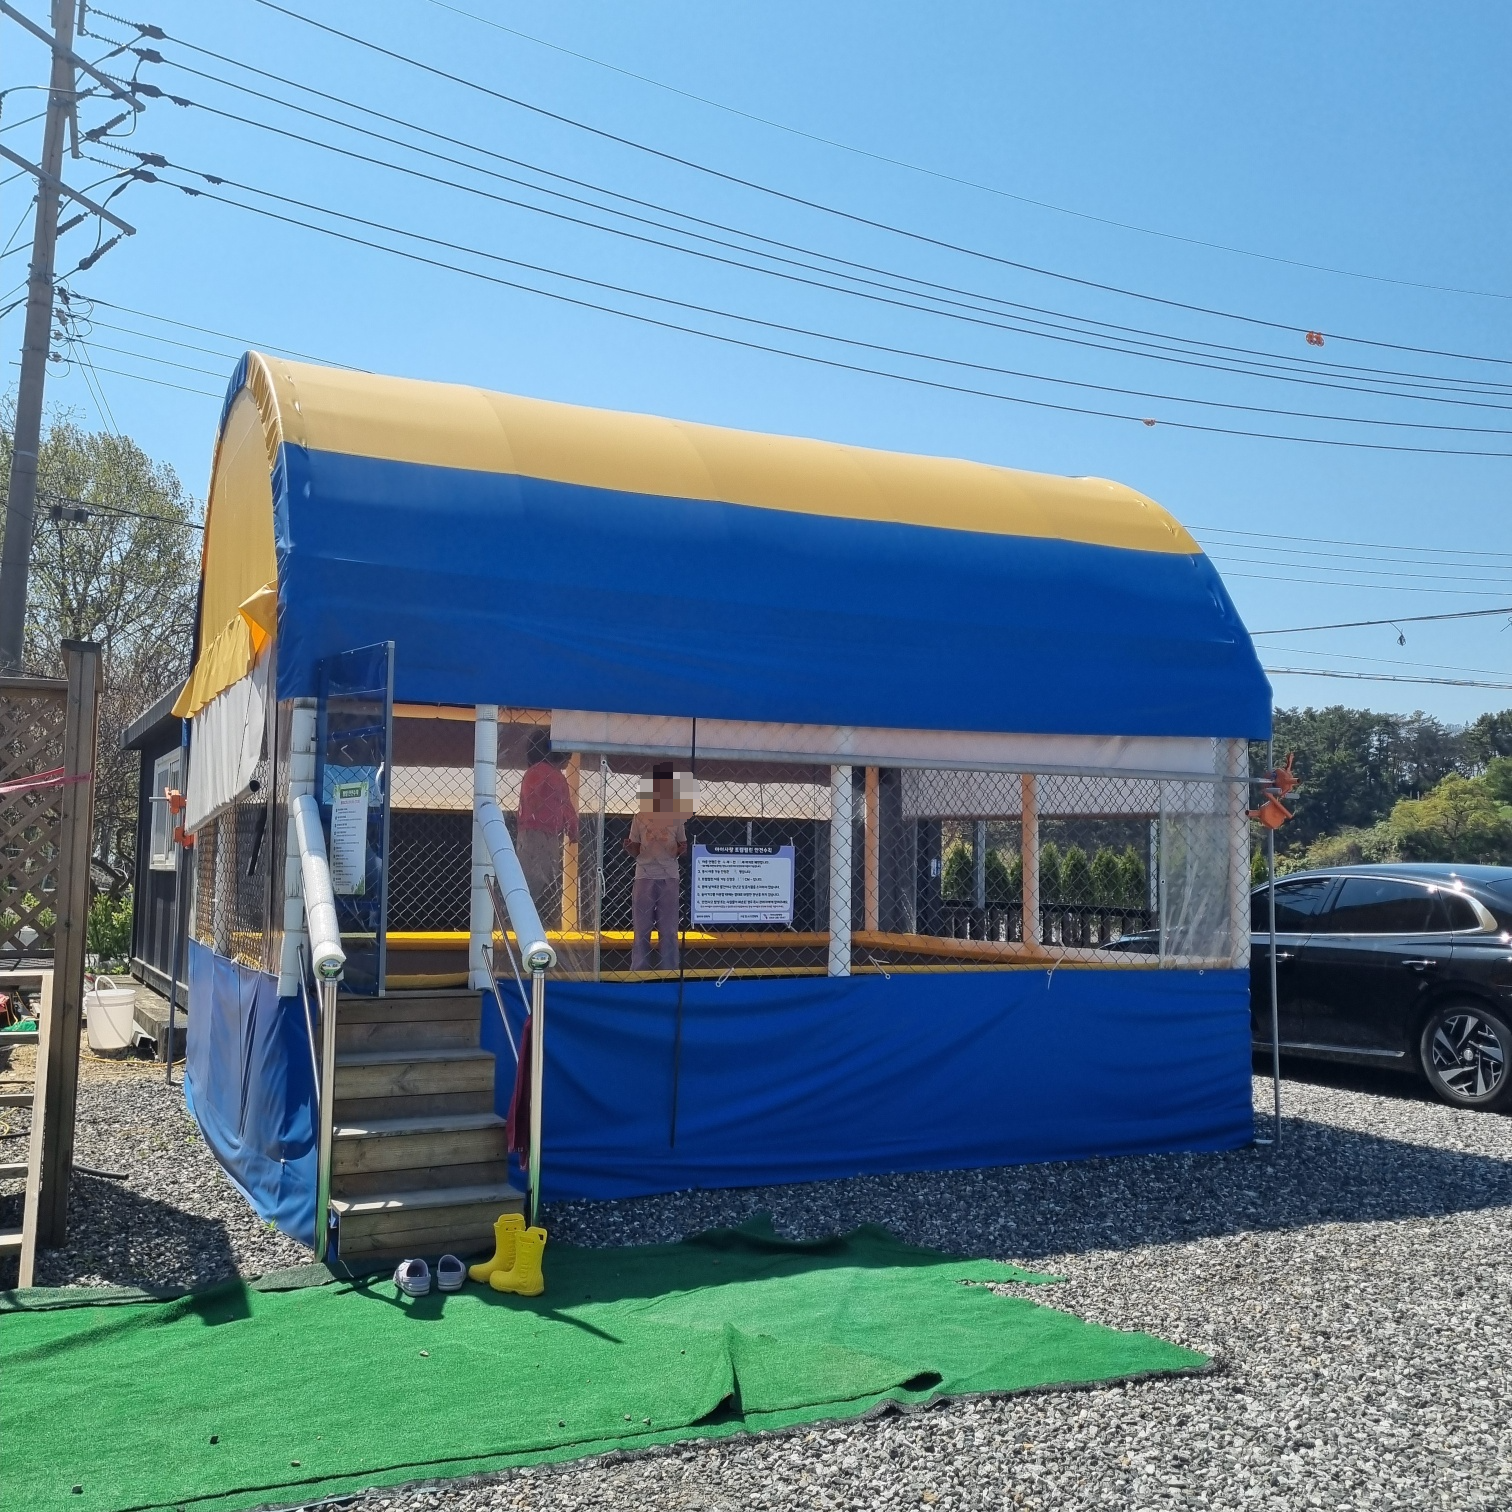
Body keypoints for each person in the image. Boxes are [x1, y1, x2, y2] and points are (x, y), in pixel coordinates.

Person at [625, 762, 687, 970]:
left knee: (668, 929)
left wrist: (680, 849)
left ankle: (670, 970)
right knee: (641, 929)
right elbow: (635, 848)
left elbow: (682, 845)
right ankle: (638, 970)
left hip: (669, 875)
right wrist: (630, 848)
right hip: (644, 875)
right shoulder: (640, 816)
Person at [516, 732, 578, 928]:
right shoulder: (550, 774)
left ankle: (525, 913)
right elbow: (564, 806)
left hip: (536, 831)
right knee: (538, 874)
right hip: (540, 832)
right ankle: (527, 914)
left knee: (536, 873)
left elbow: (560, 804)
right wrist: (573, 828)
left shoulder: (536, 772)